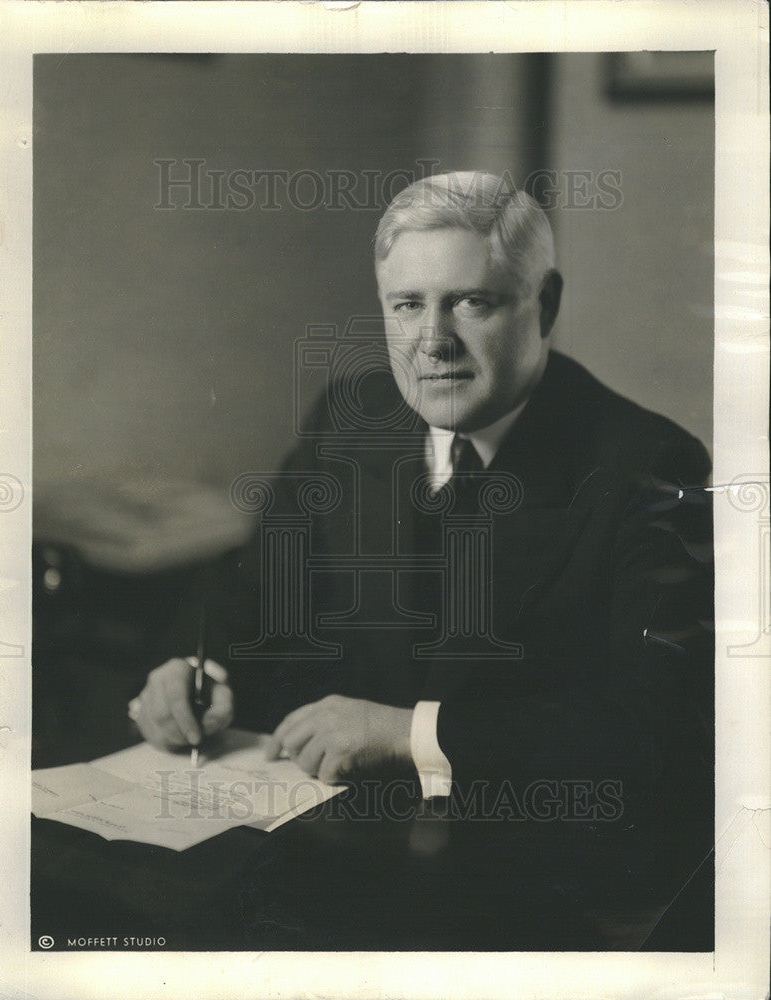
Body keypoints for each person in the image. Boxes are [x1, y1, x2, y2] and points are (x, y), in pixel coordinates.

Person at [131, 172, 713, 846]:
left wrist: (411, 735)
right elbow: (249, 595)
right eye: (406, 305)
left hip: (539, 869)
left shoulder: (649, 465)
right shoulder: (350, 422)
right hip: (337, 844)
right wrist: (194, 676)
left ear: (545, 305)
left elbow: (659, 728)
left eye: (470, 303)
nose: (431, 342)